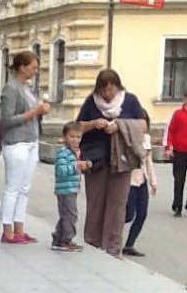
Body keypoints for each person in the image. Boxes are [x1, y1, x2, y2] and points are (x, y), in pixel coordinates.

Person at [76, 69, 147, 258]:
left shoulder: (130, 100)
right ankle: (92, 242)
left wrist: (120, 125)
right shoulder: (91, 101)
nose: (107, 94)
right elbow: (77, 126)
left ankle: (113, 248)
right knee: (95, 202)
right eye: (104, 90)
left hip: (122, 159)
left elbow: (143, 125)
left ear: (117, 87)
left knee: (117, 204)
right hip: (96, 160)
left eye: (111, 89)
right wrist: (93, 124)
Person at [0, 51, 49, 244]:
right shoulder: (11, 88)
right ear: (22, 67)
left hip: (31, 141)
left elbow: (32, 113)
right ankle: (7, 230)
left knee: (25, 188)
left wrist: (40, 111)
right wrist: (35, 111)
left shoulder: (27, 88)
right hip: (16, 143)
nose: (36, 71)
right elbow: (7, 120)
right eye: (33, 67)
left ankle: (19, 227)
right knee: (12, 187)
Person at [51, 122, 91, 252]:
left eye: (78, 137)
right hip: (65, 189)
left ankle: (58, 239)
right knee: (71, 215)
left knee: (65, 215)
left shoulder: (75, 152)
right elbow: (61, 171)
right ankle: (66, 240)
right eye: (72, 136)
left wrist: (84, 165)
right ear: (65, 137)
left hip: (71, 188)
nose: (75, 140)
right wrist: (76, 166)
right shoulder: (63, 153)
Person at [124, 112, 157, 257]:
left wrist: (153, 181)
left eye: (144, 122)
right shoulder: (127, 138)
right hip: (129, 180)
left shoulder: (147, 138)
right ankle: (110, 236)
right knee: (128, 214)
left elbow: (148, 161)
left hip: (142, 180)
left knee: (142, 214)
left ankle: (129, 244)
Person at [163, 89, 187, 217]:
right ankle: (177, 205)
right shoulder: (178, 114)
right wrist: (169, 146)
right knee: (179, 180)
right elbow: (171, 131)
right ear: (184, 99)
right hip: (180, 151)